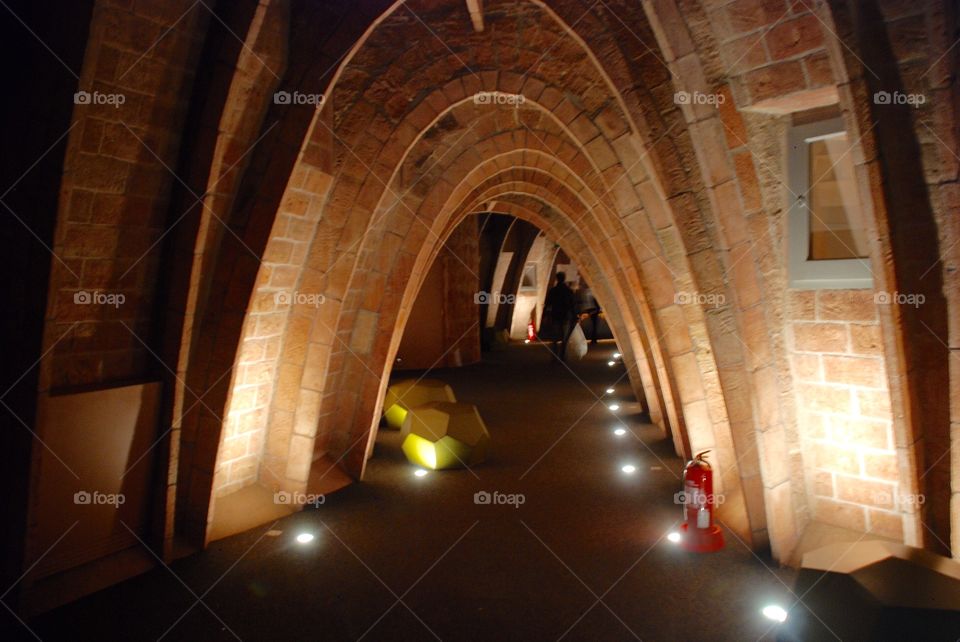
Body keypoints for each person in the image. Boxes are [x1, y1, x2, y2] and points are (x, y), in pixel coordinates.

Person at [543, 271, 577, 361]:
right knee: (564, 337)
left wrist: (544, 315)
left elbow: (547, 304)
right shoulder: (568, 291)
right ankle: (562, 355)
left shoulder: (553, 291)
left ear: (557, 279)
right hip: (565, 316)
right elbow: (572, 304)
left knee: (554, 337)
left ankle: (554, 356)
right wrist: (574, 315)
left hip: (555, 315)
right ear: (564, 278)